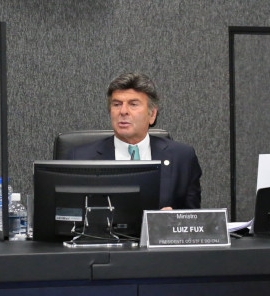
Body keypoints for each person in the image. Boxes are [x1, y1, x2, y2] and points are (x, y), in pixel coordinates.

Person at [67, 72, 202, 209]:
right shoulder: (80, 159)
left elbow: (194, 220)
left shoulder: (182, 157)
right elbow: (69, 217)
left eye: (133, 104)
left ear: (152, 114)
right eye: (117, 104)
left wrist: (171, 221)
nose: (123, 111)